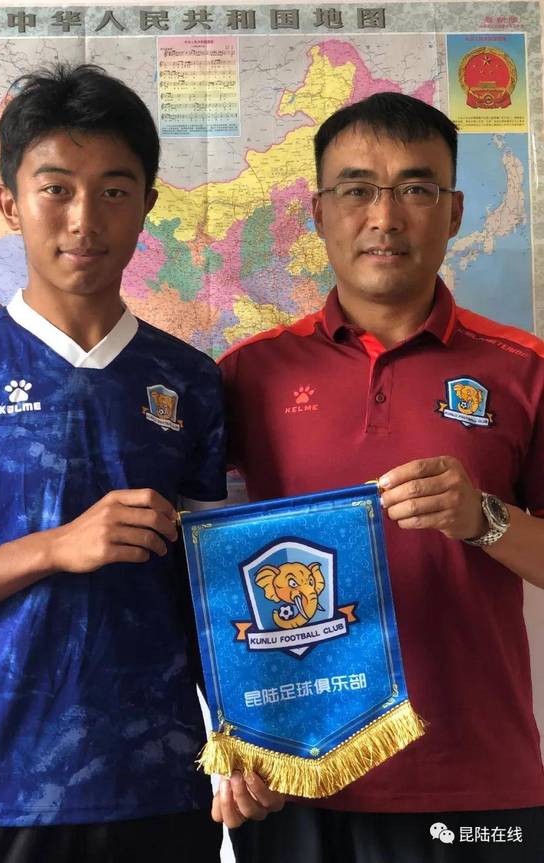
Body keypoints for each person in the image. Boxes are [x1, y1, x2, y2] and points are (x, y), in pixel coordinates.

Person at [0, 64, 281, 863]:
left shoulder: (189, 380)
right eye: (56, 189)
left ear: (147, 204)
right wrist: (52, 547)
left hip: (160, 785)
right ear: (9, 202)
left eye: (113, 190)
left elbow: (213, 590)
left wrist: (251, 731)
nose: (84, 219)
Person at [219, 92, 544, 861]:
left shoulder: (525, 370)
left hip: (477, 783)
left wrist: (485, 519)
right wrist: (229, 737)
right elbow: (202, 566)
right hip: (295, 778)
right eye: (357, 189)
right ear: (318, 212)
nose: (386, 217)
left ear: (455, 211)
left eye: (416, 188)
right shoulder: (245, 376)